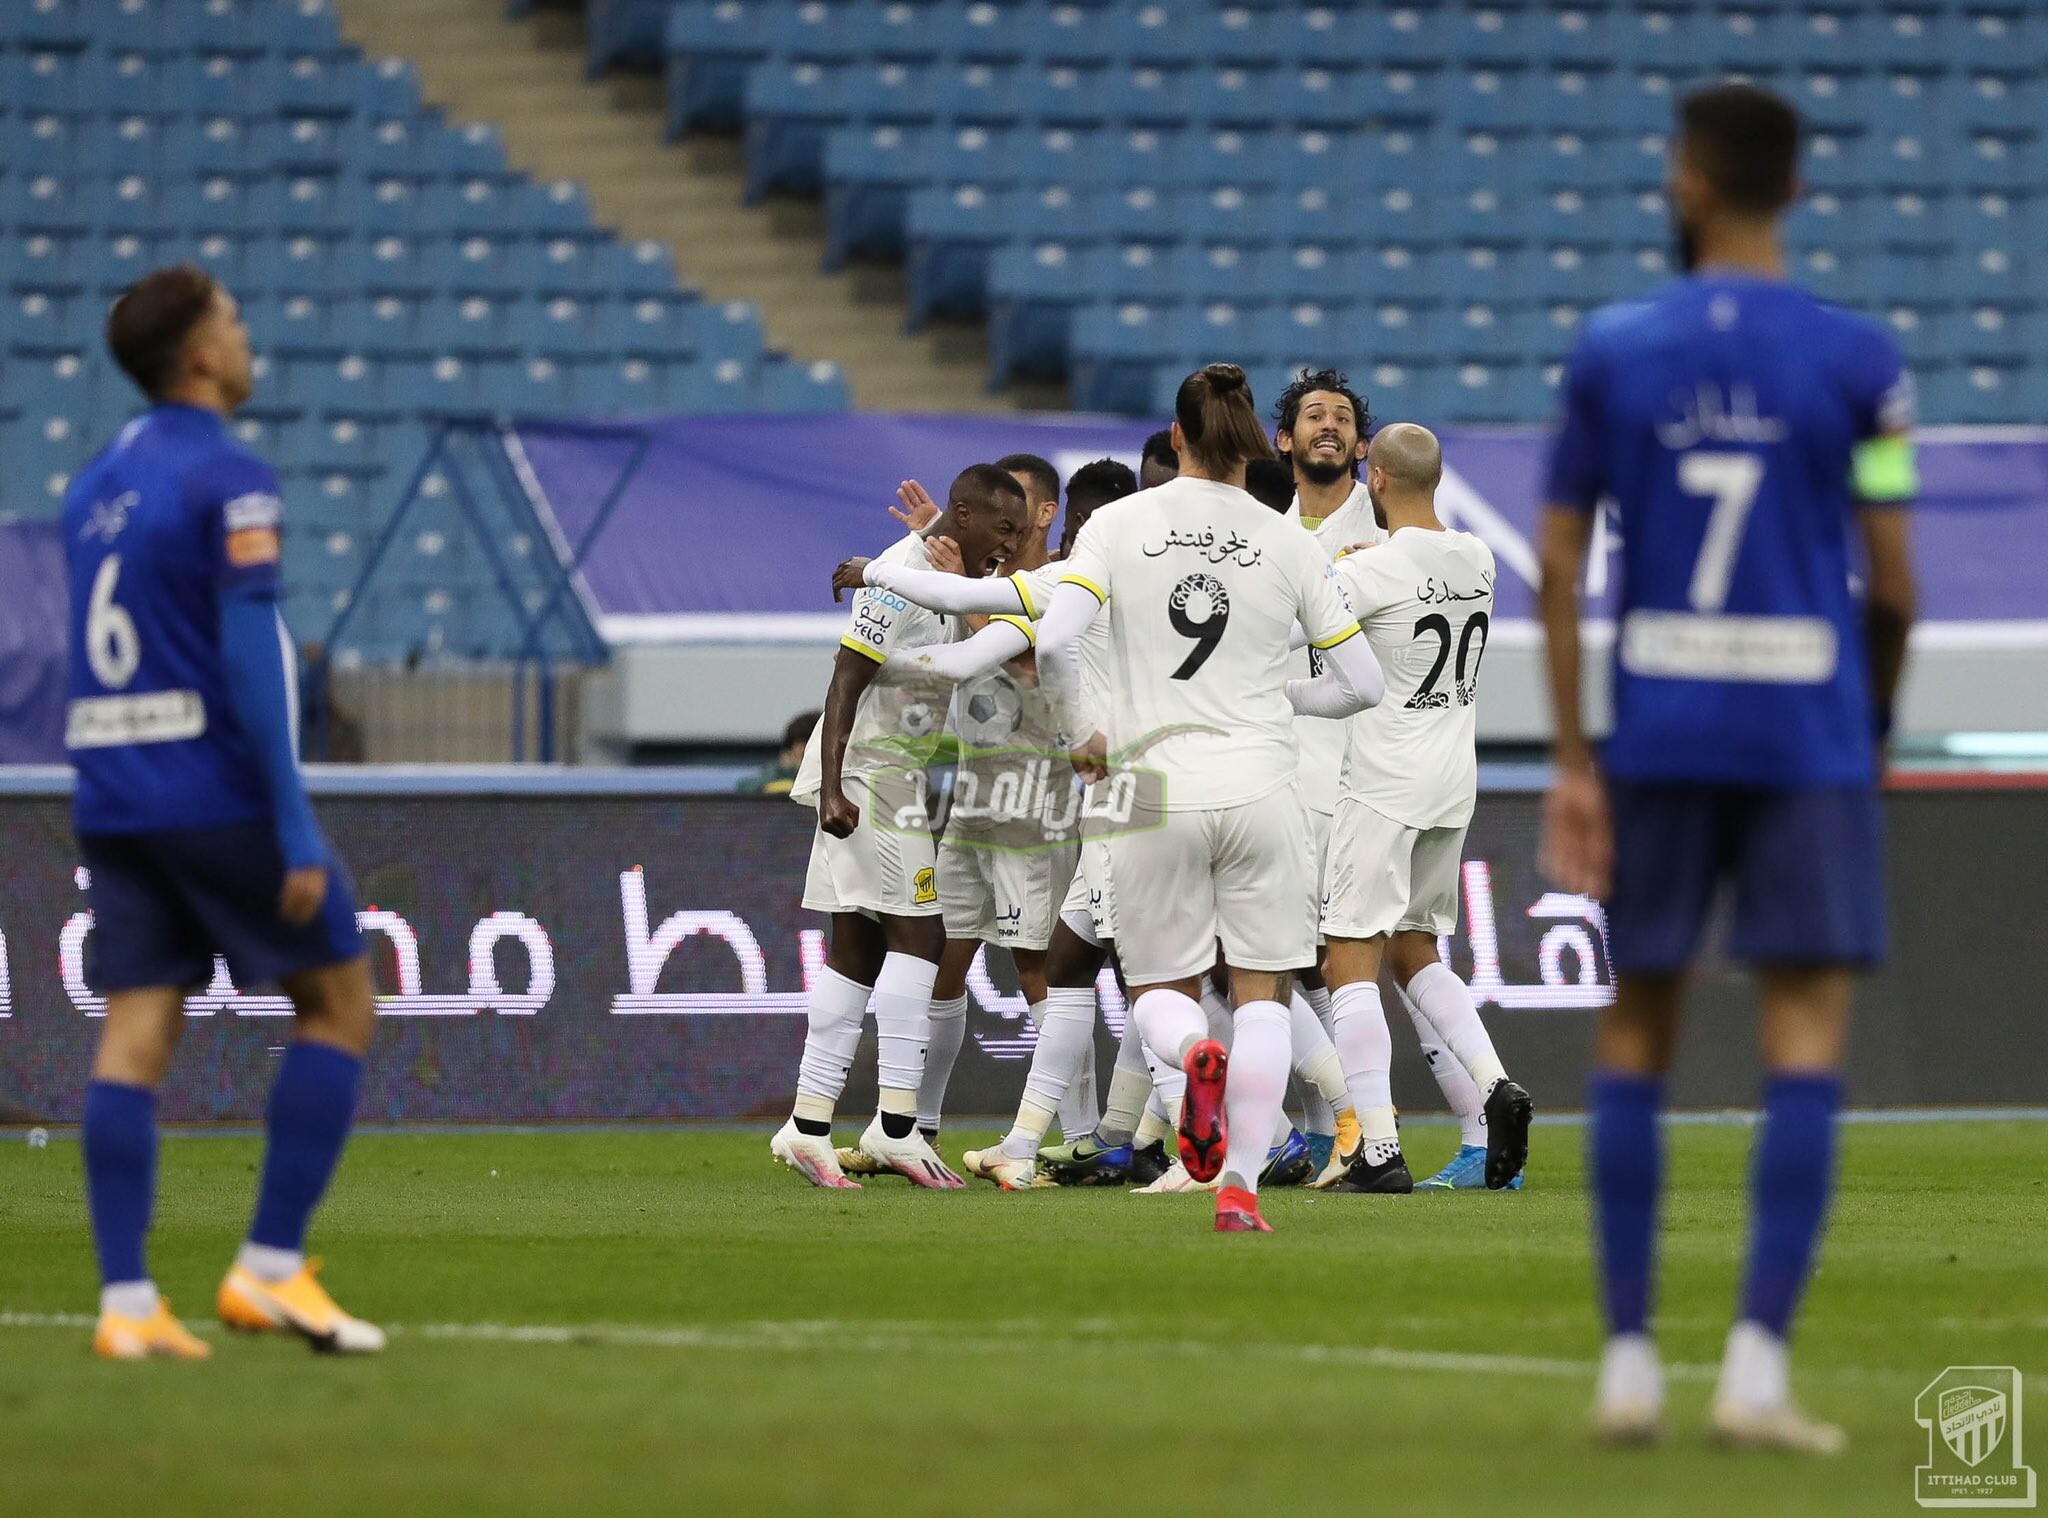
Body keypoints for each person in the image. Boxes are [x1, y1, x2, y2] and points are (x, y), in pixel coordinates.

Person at [1536, 83, 1918, 1453]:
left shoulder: (1612, 349)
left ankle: (1630, 1363)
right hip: (1806, 731)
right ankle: (1756, 1369)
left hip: (1662, 729)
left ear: (1687, 181)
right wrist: (1860, 741)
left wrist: (1577, 756)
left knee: (1635, 1024)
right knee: (1802, 1033)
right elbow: (1895, 578)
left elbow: (1565, 559)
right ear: (1796, 190)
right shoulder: (1863, 361)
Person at [64, 265, 382, 1358]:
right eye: (235, 322)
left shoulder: (93, 483)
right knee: (339, 1002)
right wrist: (292, 824)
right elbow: (254, 653)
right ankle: (271, 1269)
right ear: (200, 354)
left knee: (136, 1030)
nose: (248, 338)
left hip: (110, 788)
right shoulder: (230, 477)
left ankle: (126, 1306)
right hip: (209, 789)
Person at [1036, 363, 1387, 1234]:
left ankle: (1194, 1055)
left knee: (1159, 986)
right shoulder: (1290, 542)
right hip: (1264, 786)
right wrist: (1281, 699)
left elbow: (1053, 644)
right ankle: (1238, 1187)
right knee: (1263, 995)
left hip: (1149, 786)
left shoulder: (1117, 523)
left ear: (1179, 437)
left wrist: (1084, 730)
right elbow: (1365, 684)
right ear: (1250, 442)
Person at [835, 459, 1173, 1191]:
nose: (1008, 522)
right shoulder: (987, 576)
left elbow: (1023, 657)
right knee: (942, 959)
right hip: (974, 802)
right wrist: (931, 556)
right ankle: (916, 1127)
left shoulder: (1068, 579)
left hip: (1040, 806)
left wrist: (939, 595)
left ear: (1049, 514)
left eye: (1021, 510)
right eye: (998, 510)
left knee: (1045, 967)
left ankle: (1082, 1135)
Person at [1287, 425, 1534, 1198]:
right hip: (1452, 778)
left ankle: (1379, 1148)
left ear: (1377, 479)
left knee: (1346, 957)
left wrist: (1334, 568)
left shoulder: (1371, 571)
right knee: (1415, 948)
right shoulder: (1479, 558)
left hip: (1383, 779)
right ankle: (1496, 1088)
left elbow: (1292, 629)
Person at [770, 466, 1029, 1189]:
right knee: (922, 935)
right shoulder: (901, 576)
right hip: (872, 776)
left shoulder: (933, 573)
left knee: (855, 946)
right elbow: (845, 677)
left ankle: (807, 1125)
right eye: (1002, 530)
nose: (1009, 547)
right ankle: (894, 1125)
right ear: (967, 516)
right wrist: (832, 787)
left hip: (892, 773)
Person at [738, 710, 819, 796]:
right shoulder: (776, 771)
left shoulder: (829, 775)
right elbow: (744, 788)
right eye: (802, 742)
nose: (806, 748)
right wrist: (788, 770)